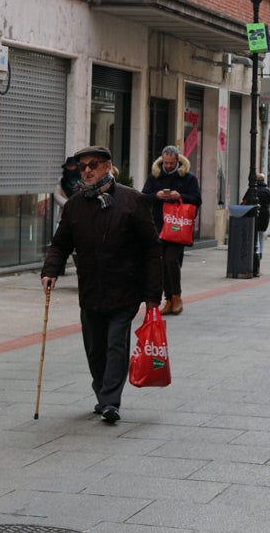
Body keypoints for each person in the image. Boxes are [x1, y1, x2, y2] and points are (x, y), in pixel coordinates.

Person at [41, 146, 163, 423]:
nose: (87, 170)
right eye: (82, 165)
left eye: (93, 164)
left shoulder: (132, 201)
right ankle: (102, 392)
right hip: (91, 289)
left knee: (116, 344)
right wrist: (50, 271)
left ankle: (110, 400)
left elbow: (152, 250)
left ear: (108, 166)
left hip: (125, 289)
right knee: (95, 348)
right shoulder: (75, 205)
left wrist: (153, 295)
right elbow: (60, 244)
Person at [142, 145, 202, 315]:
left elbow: (197, 199)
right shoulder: (155, 176)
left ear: (177, 161)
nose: (168, 166)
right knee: (161, 263)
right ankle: (168, 299)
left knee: (171, 260)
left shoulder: (188, 178)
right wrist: (157, 196)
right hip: (159, 225)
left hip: (177, 225)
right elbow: (143, 197)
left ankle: (177, 296)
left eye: (171, 163)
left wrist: (179, 196)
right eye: (165, 163)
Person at [244, 173, 270, 261]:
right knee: (261, 234)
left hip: (256, 213)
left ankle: (256, 252)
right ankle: (260, 253)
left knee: (255, 233)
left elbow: (245, 200)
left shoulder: (253, 189)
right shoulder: (267, 190)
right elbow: (269, 202)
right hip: (265, 214)